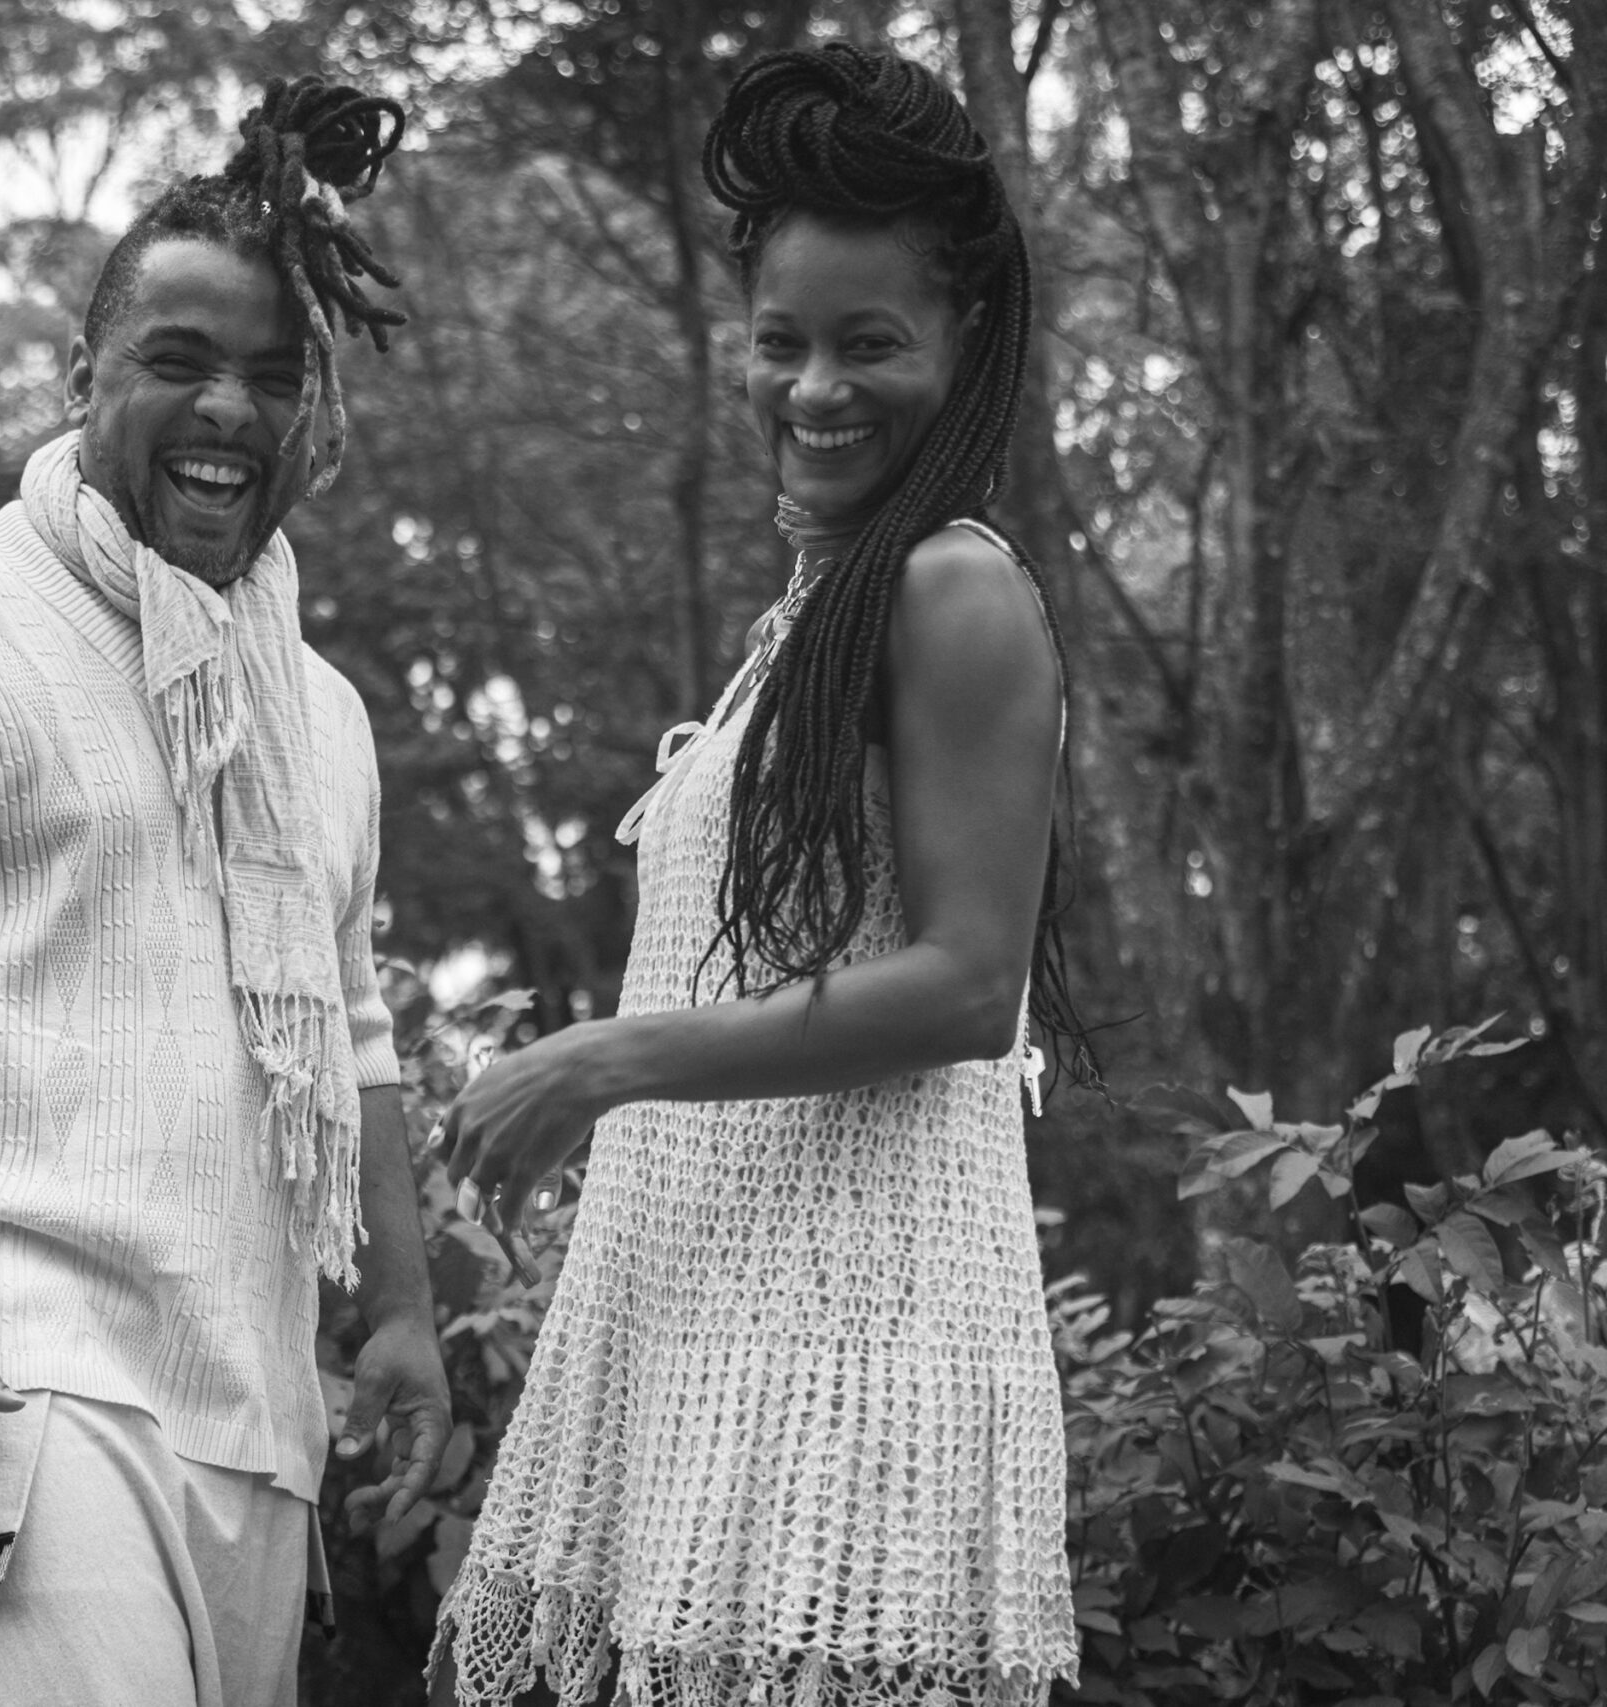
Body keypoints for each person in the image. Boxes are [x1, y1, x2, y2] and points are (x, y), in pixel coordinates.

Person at [0, 77, 449, 1707]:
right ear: (80, 375)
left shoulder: (319, 713)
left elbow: (353, 1032)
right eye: (178, 361)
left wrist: (400, 1313)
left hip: (254, 1423)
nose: (229, 410)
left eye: (275, 376)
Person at [428, 44, 1090, 1707]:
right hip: (728, 1340)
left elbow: (970, 985)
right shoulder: (827, 610)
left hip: (847, 1369)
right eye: (780, 341)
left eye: (871, 342)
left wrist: (596, 1062)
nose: (814, 388)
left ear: (965, 340)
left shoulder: (951, 587)